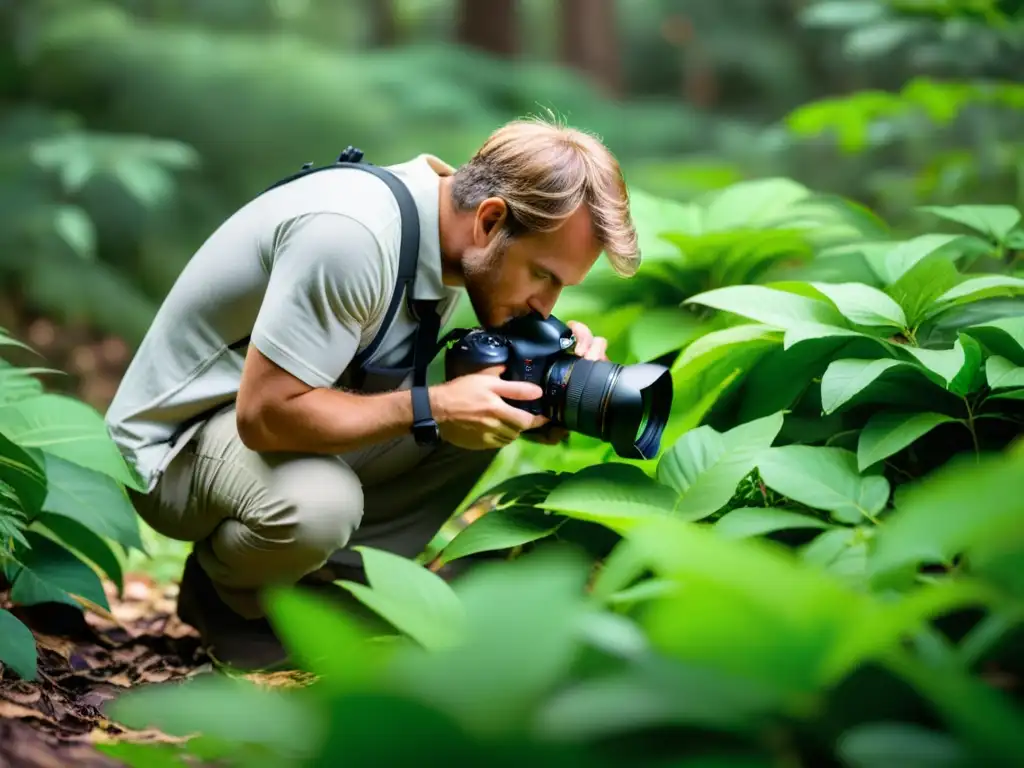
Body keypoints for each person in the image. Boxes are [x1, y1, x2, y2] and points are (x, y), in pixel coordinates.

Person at [104, 116, 641, 670]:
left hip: (258, 423)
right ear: (490, 219)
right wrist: (433, 405)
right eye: (543, 275)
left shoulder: (447, 240)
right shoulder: (355, 237)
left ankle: (331, 592)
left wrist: (542, 391)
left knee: (488, 407)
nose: (545, 304)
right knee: (319, 504)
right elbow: (264, 416)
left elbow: (371, 391)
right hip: (172, 448)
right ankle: (233, 603)